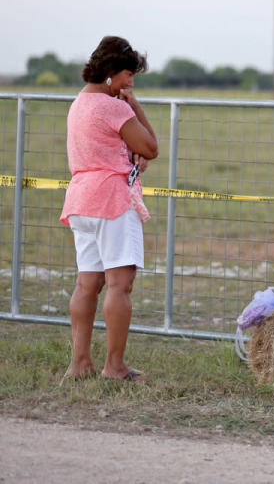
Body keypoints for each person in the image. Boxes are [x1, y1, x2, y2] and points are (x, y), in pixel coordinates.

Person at [60, 36, 157, 381]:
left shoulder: (79, 103)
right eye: (129, 75)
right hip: (112, 201)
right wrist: (134, 105)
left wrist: (128, 155)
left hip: (81, 199)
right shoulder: (115, 106)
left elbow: (111, 147)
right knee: (120, 284)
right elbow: (150, 145)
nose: (131, 83)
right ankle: (114, 366)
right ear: (112, 73)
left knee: (87, 284)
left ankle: (79, 364)